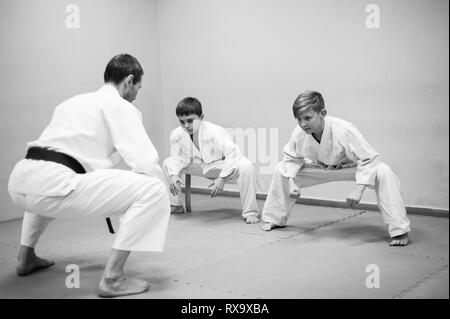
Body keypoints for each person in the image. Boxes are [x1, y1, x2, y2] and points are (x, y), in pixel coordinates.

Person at [7, 54, 170, 297]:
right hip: (56, 185)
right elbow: (145, 161)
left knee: (44, 180)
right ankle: (113, 278)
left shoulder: (71, 103)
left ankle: (25, 257)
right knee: (153, 189)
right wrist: (166, 192)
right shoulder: (121, 106)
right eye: (138, 88)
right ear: (129, 80)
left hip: (20, 182)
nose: (137, 94)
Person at [261, 91, 411, 246]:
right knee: (281, 169)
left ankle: (399, 230)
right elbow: (291, 159)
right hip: (319, 168)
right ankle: (275, 219)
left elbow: (369, 159)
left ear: (322, 113)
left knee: (383, 171)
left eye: (307, 118)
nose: (303, 124)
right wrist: (292, 184)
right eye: (298, 119)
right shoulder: (299, 133)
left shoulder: (344, 129)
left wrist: (358, 190)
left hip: (350, 167)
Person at [163, 97, 260, 223]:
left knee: (246, 166)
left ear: (201, 117)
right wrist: (174, 175)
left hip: (219, 166)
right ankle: (175, 205)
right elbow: (176, 158)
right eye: (182, 122)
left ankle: (250, 212)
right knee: (167, 164)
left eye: (190, 121)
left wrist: (222, 178)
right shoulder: (177, 134)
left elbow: (233, 154)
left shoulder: (215, 131)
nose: (186, 126)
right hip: (197, 166)